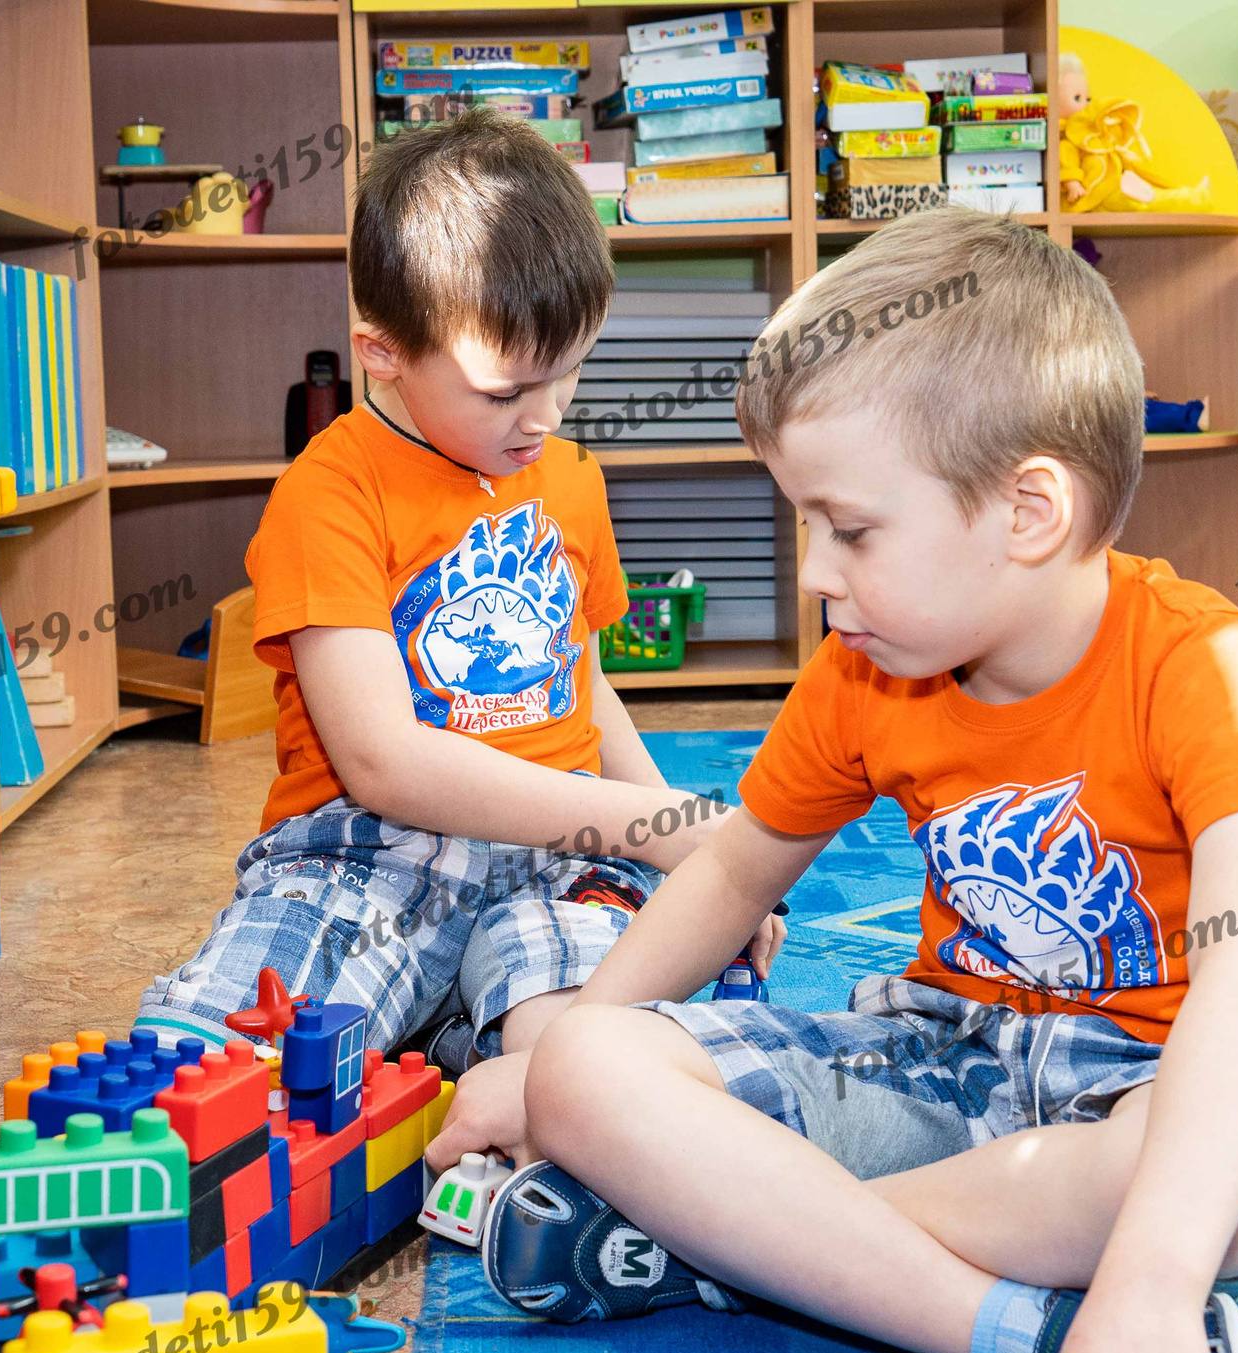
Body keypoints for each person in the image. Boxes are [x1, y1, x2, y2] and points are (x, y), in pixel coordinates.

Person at [427, 208, 1238, 1353]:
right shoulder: (862, 669)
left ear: (1027, 511)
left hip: (1172, 1092)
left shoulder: (1214, 670)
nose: (814, 576)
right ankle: (1007, 1330)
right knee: (586, 1067)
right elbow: (738, 864)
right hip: (948, 1061)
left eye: (848, 527)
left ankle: (720, 1234)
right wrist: (571, 1046)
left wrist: (1157, 1287)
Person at [136, 109, 779, 1069]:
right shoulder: (330, 491)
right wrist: (644, 824)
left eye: (568, 376)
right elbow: (385, 763)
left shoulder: (569, 477)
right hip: (368, 853)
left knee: (592, 1059)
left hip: (562, 858)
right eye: (503, 391)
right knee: (215, 1063)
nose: (544, 417)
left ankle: (494, 1068)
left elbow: (586, 689)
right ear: (382, 350)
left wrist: (692, 846)